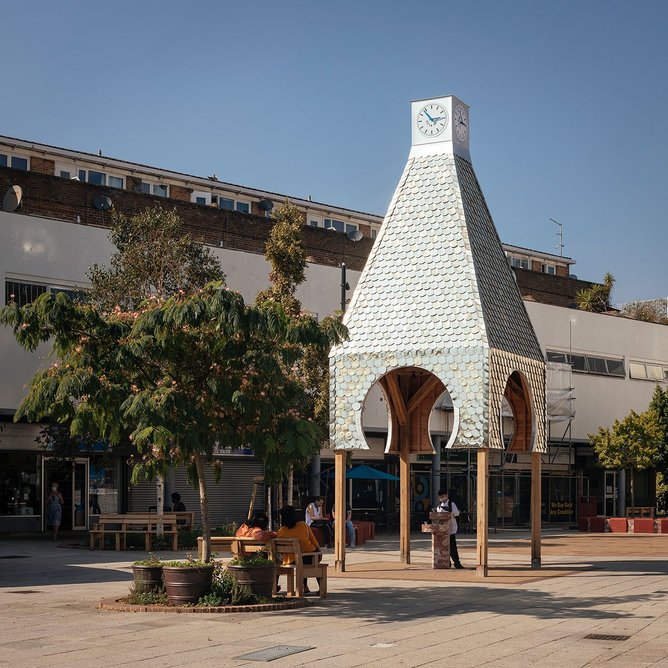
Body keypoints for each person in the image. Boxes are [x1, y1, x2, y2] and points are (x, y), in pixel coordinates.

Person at [277, 505, 321, 594]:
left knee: (301, 558)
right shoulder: (303, 525)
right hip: (307, 558)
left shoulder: (281, 531)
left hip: (290, 560)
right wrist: (319, 551)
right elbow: (314, 541)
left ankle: (275, 587)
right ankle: (316, 587)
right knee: (313, 559)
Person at [435, 489, 464, 569]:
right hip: (442, 530)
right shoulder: (439, 506)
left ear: (447, 495)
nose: (441, 498)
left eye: (443, 496)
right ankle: (447, 562)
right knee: (444, 547)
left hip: (450, 529)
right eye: (440, 497)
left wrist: (450, 511)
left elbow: (457, 513)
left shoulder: (451, 504)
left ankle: (457, 562)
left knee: (452, 547)